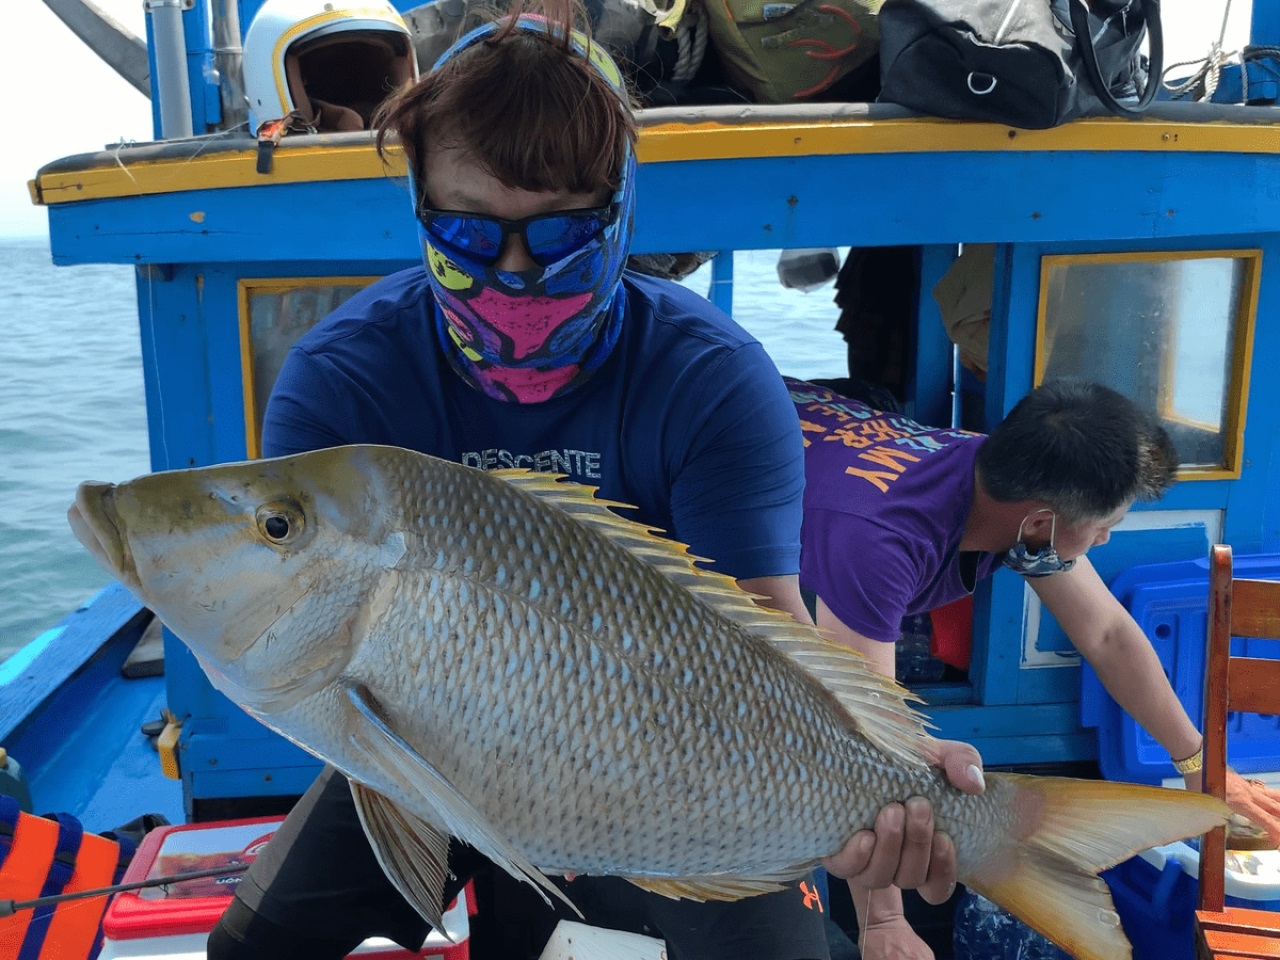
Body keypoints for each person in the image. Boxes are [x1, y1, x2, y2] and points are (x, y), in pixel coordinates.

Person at [207, 7, 973, 958]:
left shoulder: (712, 379)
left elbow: (767, 631)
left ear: (622, 211)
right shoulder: (342, 384)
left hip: (672, 755)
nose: (517, 274)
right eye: (470, 234)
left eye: (562, 234)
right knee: (251, 948)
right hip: (423, 743)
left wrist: (892, 790)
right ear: (418, 208)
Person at [791, 375, 1280, 960]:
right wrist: (884, 925)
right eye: (1105, 526)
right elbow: (863, 744)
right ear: (1041, 525)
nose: (1102, 539)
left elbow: (1107, 633)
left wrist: (1198, 762)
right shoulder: (877, 544)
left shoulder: (995, 472)